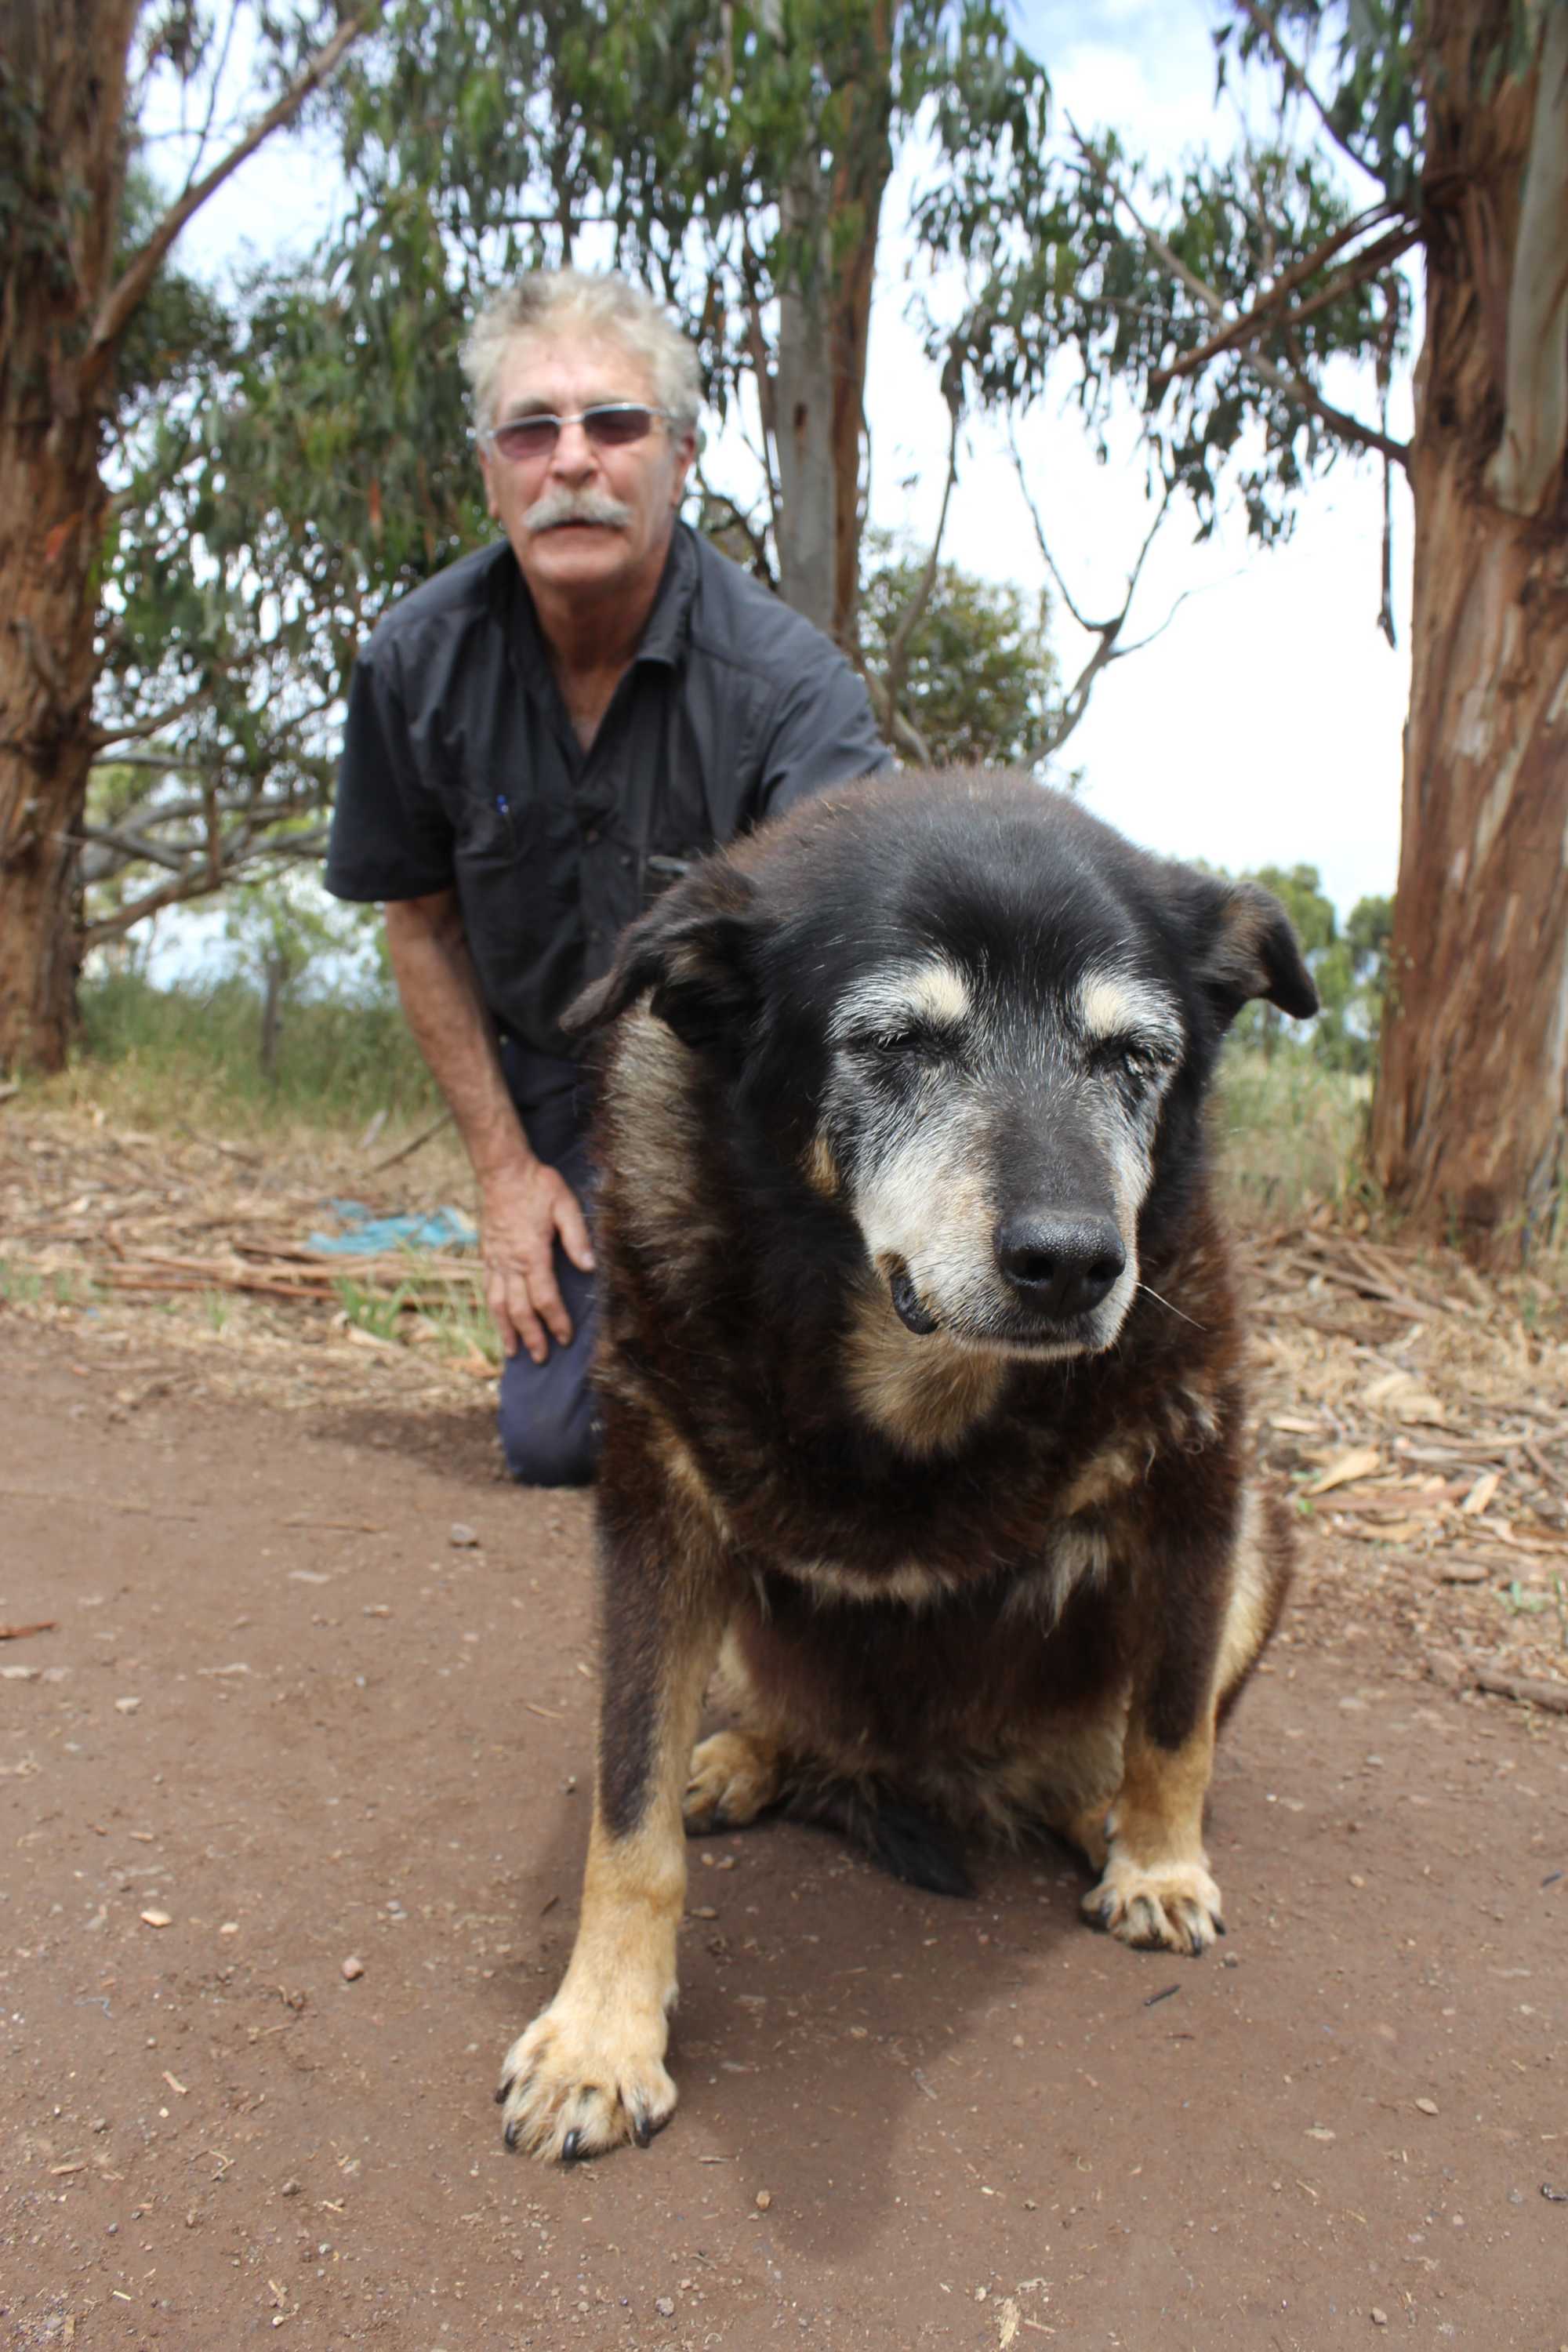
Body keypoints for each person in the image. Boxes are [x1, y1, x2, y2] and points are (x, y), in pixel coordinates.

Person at [325, 270, 891, 1486]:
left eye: (614, 425)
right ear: (491, 473)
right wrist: (504, 1173)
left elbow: (852, 972)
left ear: (680, 458)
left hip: (735, 1100)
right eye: (532, 430)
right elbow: (420, 928)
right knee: (557, 1440)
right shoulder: (416, 664)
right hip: (549, 1090)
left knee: (805, 1434)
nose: (571, 461)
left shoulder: (791, 691)